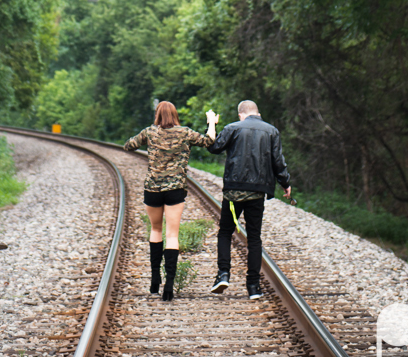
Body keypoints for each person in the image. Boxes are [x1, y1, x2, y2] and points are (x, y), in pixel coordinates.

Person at [124, 101, 219, 301]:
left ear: (158, 115)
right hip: (175, 189)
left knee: (156, 230)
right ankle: (169, 285)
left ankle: (154, 280)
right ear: (175, 115)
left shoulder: (150, 132)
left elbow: (129, 146)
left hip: (153, 188)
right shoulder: (185, 132)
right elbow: (209, 141)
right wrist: (211, 122)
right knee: (172, 234)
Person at [208, 99, 291, 300]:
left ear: (241, 114)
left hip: (233, 191)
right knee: (254, 238)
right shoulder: (271, 131)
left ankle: (223, 274)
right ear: (257, 113)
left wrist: (211, 123)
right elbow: (277, 161)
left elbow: (214, 147)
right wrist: (285, 182)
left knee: (225, 232)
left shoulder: (232, 128)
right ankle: (253, 286)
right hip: (257, 192)